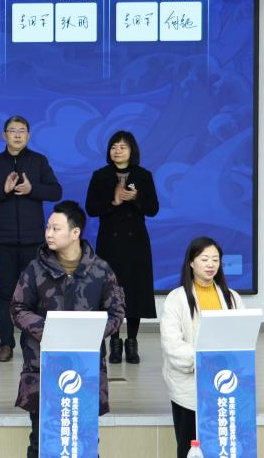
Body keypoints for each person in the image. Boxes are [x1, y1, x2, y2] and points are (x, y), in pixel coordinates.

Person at [11, 200, 125, 458]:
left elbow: (117, 312)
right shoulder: (35, 269)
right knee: (41, 441)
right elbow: (17, 308)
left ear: (75, 232)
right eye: (47, 227)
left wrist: (86, 332)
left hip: (85, 369)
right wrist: (52, 331)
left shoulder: (101, 270)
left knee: (86, 441)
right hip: (43, 369)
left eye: (56, 228)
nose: (48, 233)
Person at [0, 115, 62, 362]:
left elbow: (56, 191)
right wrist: (2, 191)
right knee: (6, 293)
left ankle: (31, 341)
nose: (16, 135)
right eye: (12, 130)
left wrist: (32, 189)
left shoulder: (38, 161)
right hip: (3, 240)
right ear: (4, 135)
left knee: (34, 293)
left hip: (33, 239)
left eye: (21, 130)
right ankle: (6, 344)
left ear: (28, 135)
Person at [159, 237, 243, 458]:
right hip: (188, 388)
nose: (210, 264)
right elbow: (171, 343)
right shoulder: (176, 298)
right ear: (191, 262)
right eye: (204, 259)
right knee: (189, 448)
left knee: (222, 446)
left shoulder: (232, 297)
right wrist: (204, 359)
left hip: (224, 384)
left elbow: (242, 337)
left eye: (215, 259)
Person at [85, 130, 159, 364]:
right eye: (114, 146)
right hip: (110, 242)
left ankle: (132, 342)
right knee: (111, 292)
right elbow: (90, 208)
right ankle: (114, 343)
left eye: (122, 147)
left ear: (132, 150)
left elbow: (153, 209)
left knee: (135, 291)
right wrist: (113, 202)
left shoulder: (143, 176)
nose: (117, 150)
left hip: (136, 242)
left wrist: (136, 199)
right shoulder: (100, 175)